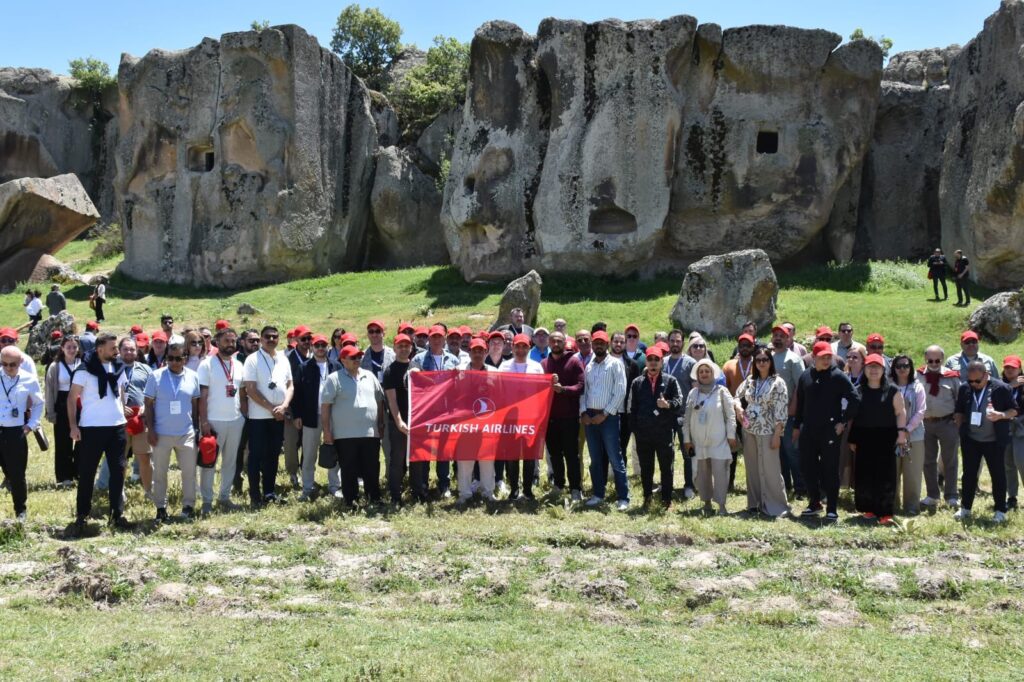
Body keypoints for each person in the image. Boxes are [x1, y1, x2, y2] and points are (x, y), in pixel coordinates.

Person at [68, 332, 130, 535]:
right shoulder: (84, 370)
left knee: (118, 471)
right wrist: (73, 426)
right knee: (87, 473)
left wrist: (123, 412)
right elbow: (72, 399)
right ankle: (82, 516)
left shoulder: (118, 366)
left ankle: (117, 515)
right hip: (91, 428)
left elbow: (121, 391)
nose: (117, 351)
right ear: (100, 349)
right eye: (113, 348)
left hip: (116, 427)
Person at [793, 341, 861, 521]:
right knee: (807, 467)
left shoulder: (837, 376)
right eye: (822, 357)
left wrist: (843, 422)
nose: (826, 360)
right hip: (808, 430)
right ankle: (814, 503)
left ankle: (832, 508)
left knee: (830, 469)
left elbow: (854, 399)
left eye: (829, 357)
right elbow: (800, 403)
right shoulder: (805, 376)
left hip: (830, 431)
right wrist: (796, 426)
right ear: (813, 357)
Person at [321, 345, 386, 506]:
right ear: (343, 360)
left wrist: (380, 423)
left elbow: (379, 400)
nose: (357, 359)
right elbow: (326, 406)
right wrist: (327, 431)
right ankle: (351, 500)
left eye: (359, 356)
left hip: (370, 432)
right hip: (345, 434)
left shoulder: (369, 376)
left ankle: (374, 497)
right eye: (353, 357)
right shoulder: (334, 379)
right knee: (348, 468)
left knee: (372, 466)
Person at [144, 340, 202, 521]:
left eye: (178, 358)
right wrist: (150, 430)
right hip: (161, 434)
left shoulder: (193, 376)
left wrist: (197, 429)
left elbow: (195, 404)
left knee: (189, 472)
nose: (174, 362)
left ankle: (188, 506)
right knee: (160, 473)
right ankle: (161, 508)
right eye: (170, 358)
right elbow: (148, 404)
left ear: (185, 358)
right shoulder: (156, 376)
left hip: (186, 433)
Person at [953, 361, 1017, 522]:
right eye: (970, 381)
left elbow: (1014, 410)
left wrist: (1001, 415)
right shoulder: (965, 388)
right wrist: (960, 427)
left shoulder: (1001, 388)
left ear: (986, 375)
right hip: (971, 440)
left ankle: (1000, 510)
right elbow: (959, 411)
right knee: (969, 474)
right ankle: (965, 508)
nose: (974, 384)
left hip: (994, 441)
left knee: (998, 475)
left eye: (977, 381)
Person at [848, 354, 907, 524]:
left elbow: (900, 412)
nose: (873, 370)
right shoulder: (858, 390)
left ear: (883, 370)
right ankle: (868, 509)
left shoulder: (893, 390)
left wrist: (901, 434)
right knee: (864, 474)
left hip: (886, 437)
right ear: (864, 369)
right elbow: (854, 417)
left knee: (886, 475)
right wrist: (852, 439)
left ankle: (885, 512)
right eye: (870, 367)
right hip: (863, 437)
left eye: (877, 367)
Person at [242, 325, 293, 507]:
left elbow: (290, 386)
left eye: (274, 336)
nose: (271, 339)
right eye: (267, 336)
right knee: (256, 456)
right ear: (262, 339)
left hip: (278, 416)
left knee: (273, 455)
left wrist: (284, 407)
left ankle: (269, 492)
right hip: (259, 417)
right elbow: (250, 389)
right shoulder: (252, 360)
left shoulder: (283, 359)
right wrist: (272, 408)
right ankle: (255, 496)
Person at [198, 327, 248, 511]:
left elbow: (241, 394)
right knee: (209, 462)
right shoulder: (207, 364)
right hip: (213, 421)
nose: (230, 344)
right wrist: (204, 421)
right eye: (226, 341)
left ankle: (224, 497)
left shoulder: (239, 365)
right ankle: (207, 501)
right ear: (217, 342)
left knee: (230, 461)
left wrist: (243, 416)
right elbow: (202, 396)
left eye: (233, 341)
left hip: (235, 420)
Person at [737, 346, 790, 517]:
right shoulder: (750, 380)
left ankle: (776, 505)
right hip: (749, 429)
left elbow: (781, 411)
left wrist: (777, 435)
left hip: (768, 431)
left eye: (765, 360)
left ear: (770, 362)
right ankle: (754, 503)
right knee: (752, 468)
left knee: (771, 469)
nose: (761, 363)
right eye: (758, 360)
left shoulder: (778, 383)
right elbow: (737, 396)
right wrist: (738, 408)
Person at [289, 333, 341, 502]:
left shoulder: (336, 366)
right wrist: (297, 415)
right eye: (317, 345)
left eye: (323, 345)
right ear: (312, 347)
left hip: (333, 416)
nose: (320, 348)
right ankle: (307, 487)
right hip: (311, 416)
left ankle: (335, 486)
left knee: (334, 451)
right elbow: (296, 393)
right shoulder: (304, 367)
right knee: (309, 453)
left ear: (328, 347)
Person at [410, 325, 461, 498]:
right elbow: (409, 383)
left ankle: (444, 485)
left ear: (445, 338)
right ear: (429, 339)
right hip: (425, 412)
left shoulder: (453, 360)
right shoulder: (418, 359)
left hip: (446, 411)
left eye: (439, 337)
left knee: (443, 450)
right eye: (433, 337)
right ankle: (423, 483)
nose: (437, 340)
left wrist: (459, 376)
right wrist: (413, 374)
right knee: (425, 449)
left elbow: (460, 387)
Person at [628, 347, 682, 507]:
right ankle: (647, 497)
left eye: (656, 359)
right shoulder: (637, 383)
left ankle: (666, 500)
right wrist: (635, 430)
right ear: (646, 361)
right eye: (650, 359)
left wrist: (668, 404)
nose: (653, 363)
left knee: (666, 467)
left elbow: (679, 402)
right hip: (643, 433)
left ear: (661, 362)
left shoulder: (671, 381)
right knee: (646, 467)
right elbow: (632, 409)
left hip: (664, 432)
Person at [581, 331, 629, 510]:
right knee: (595, 458)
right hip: (590, 417)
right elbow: (584, 392)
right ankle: (598, 494)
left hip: (608, 417)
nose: (599, 345)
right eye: (596, 343)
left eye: (602, 342)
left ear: (607, 344)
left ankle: (623, 497)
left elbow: (621, 391)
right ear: (592, 345)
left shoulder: (616, 364)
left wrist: (606, 413)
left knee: (615, 457)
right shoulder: (589, 366)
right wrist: (583, 412)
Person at [683, 359, 736, 515]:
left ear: (713, 374)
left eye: (707, 371)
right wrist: (687, 440)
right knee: (702, 474)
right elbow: (686, 418)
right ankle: (706, 502)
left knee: (721, 473)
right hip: (698, 442)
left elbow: (731, 416)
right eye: (701, 372)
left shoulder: (722, 391)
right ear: (697, 375)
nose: (704, 374)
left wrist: (731, 435)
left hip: (719, 441)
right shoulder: (693, 393)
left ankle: (721, 505)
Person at [499, 334, 545, 499]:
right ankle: (514, 489)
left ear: (529, 348)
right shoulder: (504, 367)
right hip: (509, 417)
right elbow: (498, 390)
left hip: (530, 417)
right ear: (512, 347)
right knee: (511, 455)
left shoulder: (537, 367)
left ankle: (527, 489)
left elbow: (542, 392)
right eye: (517, 346)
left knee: (529, 455)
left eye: (524, 346)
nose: (520, 350)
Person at [0, 346, 43, 521]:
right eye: (4, 364)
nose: (8, 368)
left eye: (12, 364)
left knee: (17, 474)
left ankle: (20, 511)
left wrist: (31, 424)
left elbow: (39, 403)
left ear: (21, 362)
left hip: (15, 430)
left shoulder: (29, 379)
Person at [918, 345, 962, 509]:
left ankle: (951, 496)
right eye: (930, 360)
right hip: (925, 423)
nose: (934, 363)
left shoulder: (952, 377)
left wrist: (958, 419)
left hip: (947, 423)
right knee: (927, 460)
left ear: (942, 359)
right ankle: (932, 495)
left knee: (950, 460)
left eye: (937, 360)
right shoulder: (918, 375)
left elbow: (960, 398)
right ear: (925, 359)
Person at [543, 331, 585, 501]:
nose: (556, 344)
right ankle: (559, 485)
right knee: (554, 455)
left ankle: (575, 488)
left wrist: (564, 390)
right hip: (550, 419)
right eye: (553, 341)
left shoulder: (574, 362)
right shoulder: (544, 364)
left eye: (559, 341)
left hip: (569, 418)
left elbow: (581, 386)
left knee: (571, 455)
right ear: (548, 343)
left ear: (564, 342)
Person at [455, 338, 498, 505]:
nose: (478, 353)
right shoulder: (459, 371)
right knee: (465, 460)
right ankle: (465, 493)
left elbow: (501, 394)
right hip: (465, 422)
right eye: (474, 350)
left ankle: (488, 492)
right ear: (469, 352)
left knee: (487, 459)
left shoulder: (494, 372)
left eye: (481, 350)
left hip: (487, 421)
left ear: (486, 352)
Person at [770, 325, 806, 498]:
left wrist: (794, 407)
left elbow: (801, 385)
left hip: (789, 413)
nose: (778, 338)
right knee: (779, 452)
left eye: (782, 336)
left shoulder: (794, 359)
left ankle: (801, 487)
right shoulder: (768, 357)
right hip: (772, 414)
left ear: (788, 339)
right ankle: (785, 485)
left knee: (792, 450)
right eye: (775, 335)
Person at [118, 337, 153, 500]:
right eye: (125, 349)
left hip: (140, 418)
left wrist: (146, 406)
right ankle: (119, 491)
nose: (129, 352)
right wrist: (119, 406)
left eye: (132, 349)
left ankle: (149, 491)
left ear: (137, 351)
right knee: (120, 459)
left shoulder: (145, 369)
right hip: (119, 420)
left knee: (145, 457)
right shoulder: (112, 368)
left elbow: (153, 391)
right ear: (119, 350)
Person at [891, 354, 927, 515]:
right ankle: (892, 505)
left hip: (914, 436)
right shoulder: (889, 386)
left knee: (912, 472)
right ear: (894, 368)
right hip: (891, 435)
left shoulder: (917, 387)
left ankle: (912, 506)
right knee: (892, 471)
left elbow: (921, 411)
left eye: (906, 365)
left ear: (911, 368)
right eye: (898, 366)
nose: (902, 369)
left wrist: (906, 430)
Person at [44, 334, 81, 488]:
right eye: (68, 347)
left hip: (81, 404)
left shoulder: (83, 363)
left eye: (74, 347)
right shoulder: (55, 366)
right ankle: (64, 477)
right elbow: (49, 390)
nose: (72, 350)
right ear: (62, 348)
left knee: (82, 440)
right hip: (62, 403)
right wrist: (50, 411)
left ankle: (78, 471)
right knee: (63, 442)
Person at [664, 329, 697, 499]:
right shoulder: (662, 362)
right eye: (672, 340)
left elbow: (695, 390)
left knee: (688, 452)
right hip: (665, 416)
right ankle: (666, 485)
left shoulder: (690, 363)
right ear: (668, 342)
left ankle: (689, 485)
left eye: (678, 341)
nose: (675, 344)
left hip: (684, 415)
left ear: (683, 343)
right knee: (666, 452)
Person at [383, 333, 414, 504]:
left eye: (406, 346)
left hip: (416, 421)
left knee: (417, 458)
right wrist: (399, 421)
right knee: (397, 458)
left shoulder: (416, 367)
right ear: (394, 348)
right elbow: (392, 400)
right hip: (398, 422)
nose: (403, 349)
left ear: (411, 348)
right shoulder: (390, 371)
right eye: (400, 346)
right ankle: (395, 494)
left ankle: (418, 491)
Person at [282, 325, 312, 489]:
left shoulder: (314, 356)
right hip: (292, 407)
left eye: (309, 338)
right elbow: (286, 386)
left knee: (308, 443)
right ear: (295, 340)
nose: (307, 341)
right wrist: (289, 411)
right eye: (303, 339)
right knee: (291, 443)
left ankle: (306, 472)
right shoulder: (287, 359)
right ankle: (293, 473)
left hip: (310, 407)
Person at [1001, 355, 1024, 510]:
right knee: (1007, 463)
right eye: (1007, 367)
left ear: (1020, 369)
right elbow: (993, 400)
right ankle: (1012, 496)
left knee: (1021, 461)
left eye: (1013, 367)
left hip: (1021, 427)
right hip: (1004, 427)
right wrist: (1011, 386)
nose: (1010, 370)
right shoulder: (999, 384)